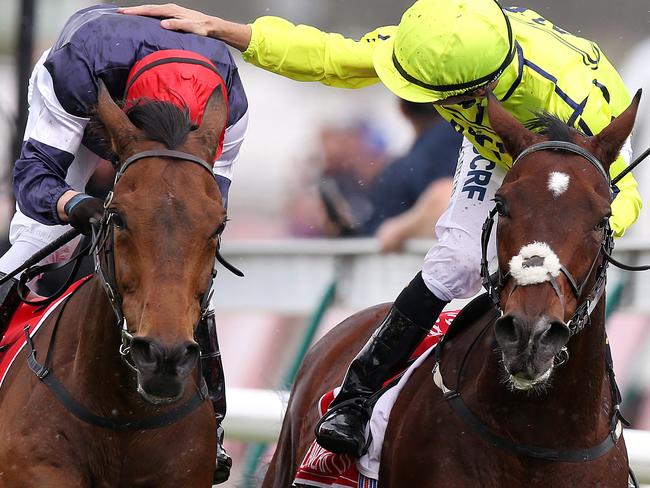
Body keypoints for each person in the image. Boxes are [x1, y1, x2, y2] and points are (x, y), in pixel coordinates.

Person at [121, 0, 643, 457]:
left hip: (577, 167)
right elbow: (332, 58)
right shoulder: (443, 44)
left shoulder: (576, 103)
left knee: (571, 261)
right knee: (457, 261)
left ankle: (603, 411)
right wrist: (224, 29)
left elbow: (626, 199)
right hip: (501, 145)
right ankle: (355, 396)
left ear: (478, 86)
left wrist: (571, 230)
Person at [0, 4, 250, 482]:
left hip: (172, 115)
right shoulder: (75, 70)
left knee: (186, 262)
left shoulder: (231, 104)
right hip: (90, 100)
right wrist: (77, 205)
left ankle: (211, 424)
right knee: (32, 247)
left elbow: (208, 213)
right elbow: (34, 181)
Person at [364, 100, 461, 251]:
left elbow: (446, 198)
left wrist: (398, 230)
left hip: (421, 269)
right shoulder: (471, 136)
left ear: (401, 108)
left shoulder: (436, 146)